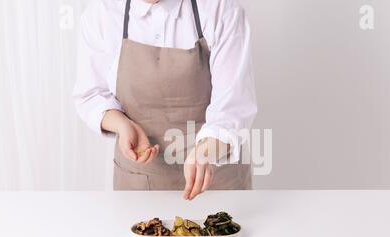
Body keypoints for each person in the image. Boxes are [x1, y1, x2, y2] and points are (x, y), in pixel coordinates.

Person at [73, 0, 257, 200]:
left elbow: (233, 106)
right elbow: (91, 94)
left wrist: (206, 152)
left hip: (217, 179)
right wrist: (122, 125)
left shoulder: (220, 9)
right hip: (139, 183)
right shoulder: (102, 15)